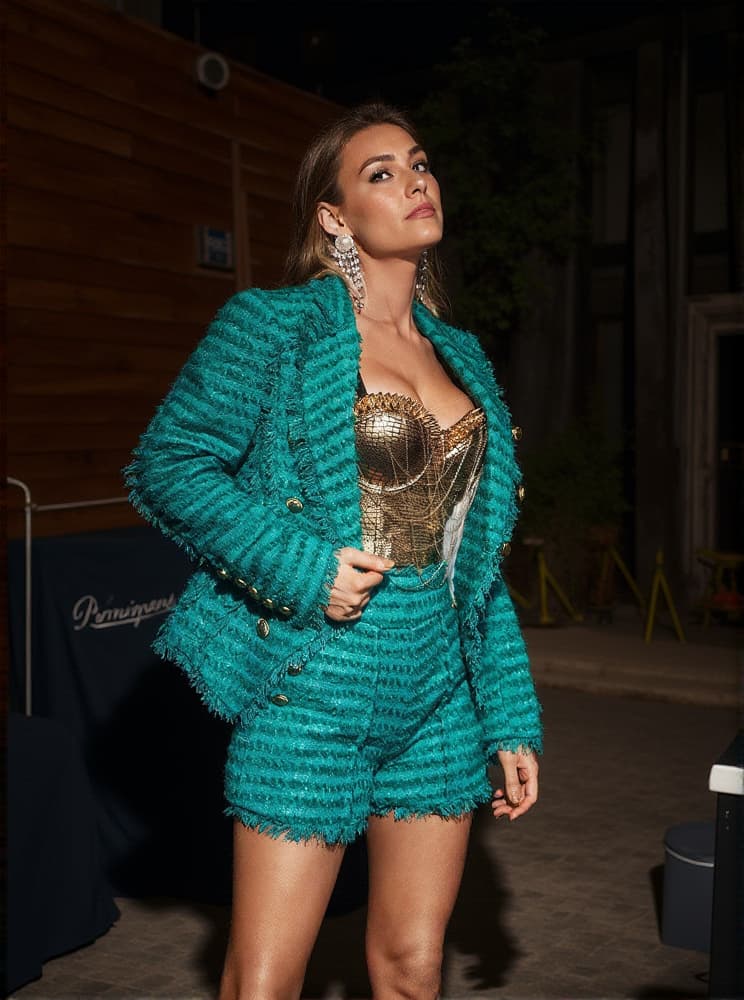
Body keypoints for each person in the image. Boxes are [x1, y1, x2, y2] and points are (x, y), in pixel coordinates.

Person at [124, 101, 542, 1000]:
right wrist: (304, 567)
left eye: (420, 163)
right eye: (380, 174)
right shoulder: (274, 327)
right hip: (314, 687)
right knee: (266, 980)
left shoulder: (462, 354)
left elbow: (476, 564)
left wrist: (509, 715)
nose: (415, 182)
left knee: (412, 967)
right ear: (334, 217)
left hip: (440, 698)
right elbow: (168, 463)